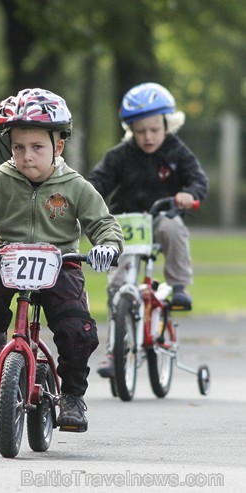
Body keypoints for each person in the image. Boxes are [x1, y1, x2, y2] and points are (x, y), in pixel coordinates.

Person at [0, 88, 123, 431]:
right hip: (10, 259)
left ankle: (72, 395)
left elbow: (103, 224)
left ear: (58, 146)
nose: (26, 156)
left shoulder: (75, 186)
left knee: (76, 329)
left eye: (37, 147)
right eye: (18, 147)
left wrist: (107, 247)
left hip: (60, 264)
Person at [88, 82, 208, 378]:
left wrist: (189, 195)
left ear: (168, 123)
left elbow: (197, 179)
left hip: (159, 216)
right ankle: (116, 352)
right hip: (126, 223)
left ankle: (178, 286)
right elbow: (98, 181)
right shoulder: (120, 155)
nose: (147, 137)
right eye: (139, 131)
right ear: (130, 129)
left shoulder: (176, 152)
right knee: (117, 286)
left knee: (173, 227)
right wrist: (86, 198)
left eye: (154, 129)